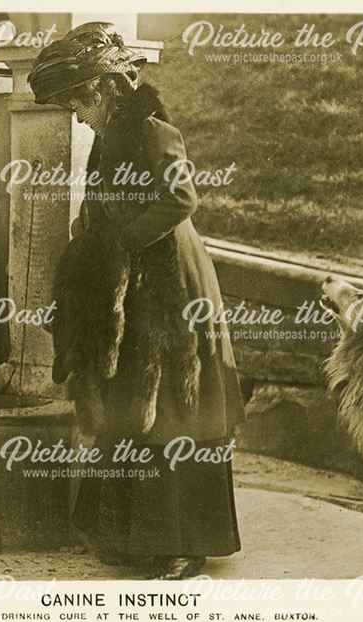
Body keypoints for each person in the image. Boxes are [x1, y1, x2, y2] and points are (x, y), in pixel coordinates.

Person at [28, 22, 245, 580]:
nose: (76, 116)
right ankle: (132, 536)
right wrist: (92, 229)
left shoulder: (151, 129)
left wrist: (118, 239)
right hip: (132, 281)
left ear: (99, 91)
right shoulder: (109, 138)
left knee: (174, 405)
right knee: (130, 399)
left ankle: (183, 544)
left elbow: (180, 199)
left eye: (77, 103)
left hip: (170, 282)